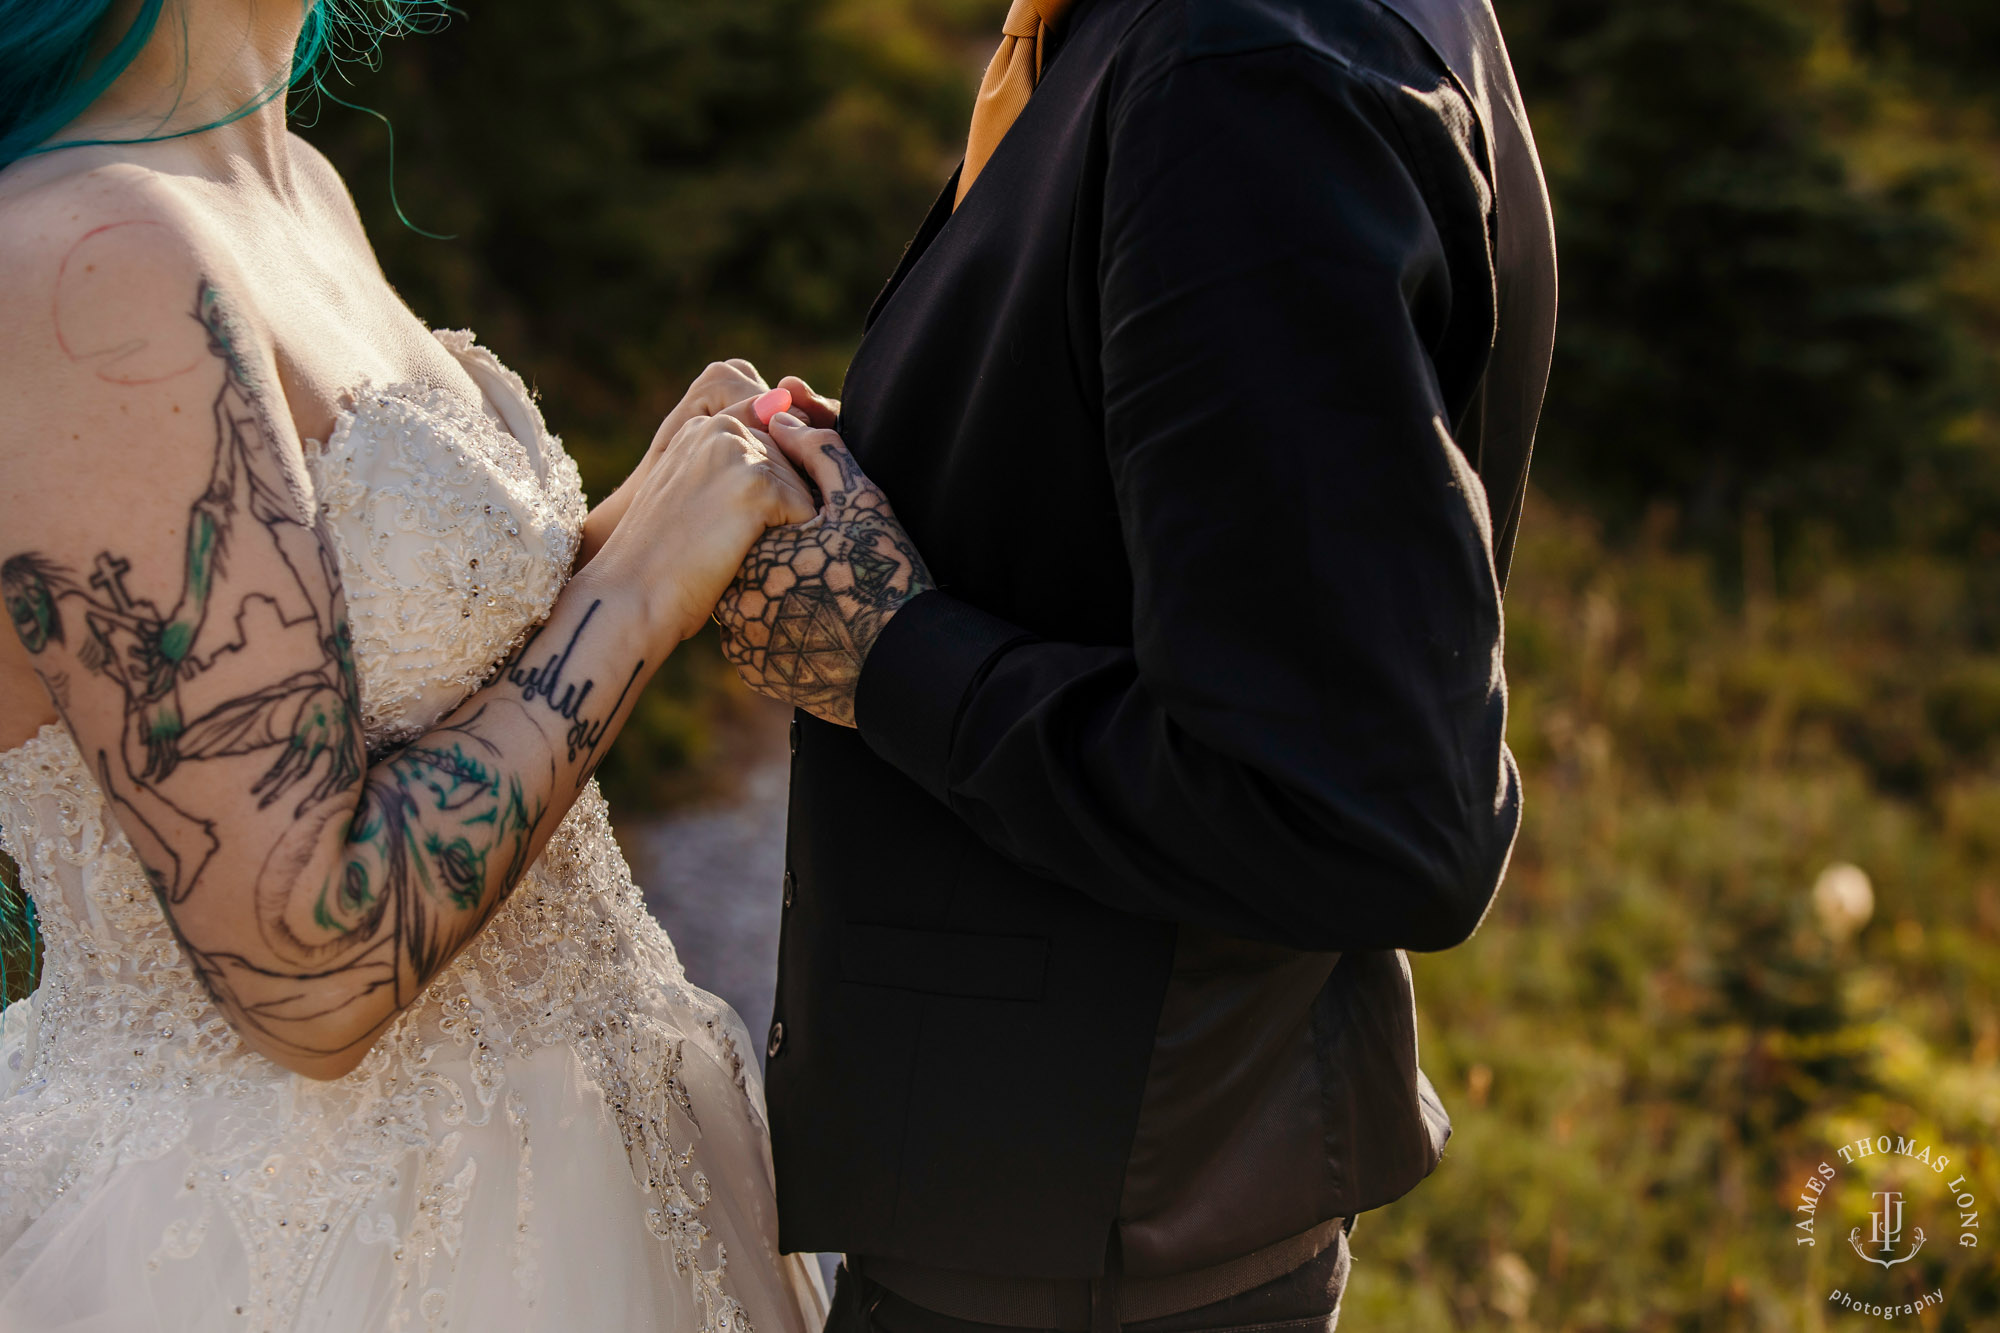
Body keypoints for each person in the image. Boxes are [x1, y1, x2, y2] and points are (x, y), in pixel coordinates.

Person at [712, 0, 1558, 1328]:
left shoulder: (1242, 66)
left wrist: (892, 653)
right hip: (1103, 1205)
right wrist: (917, 465)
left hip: (1086, 1252)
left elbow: (1364, 804)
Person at [0, 2, 830, 1328]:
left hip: (590, 1152)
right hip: (284, 1244)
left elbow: (396, 676)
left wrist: (657, 505)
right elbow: (309, 970)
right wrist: (632, 589)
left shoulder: (293, 182)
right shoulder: (85, 258)